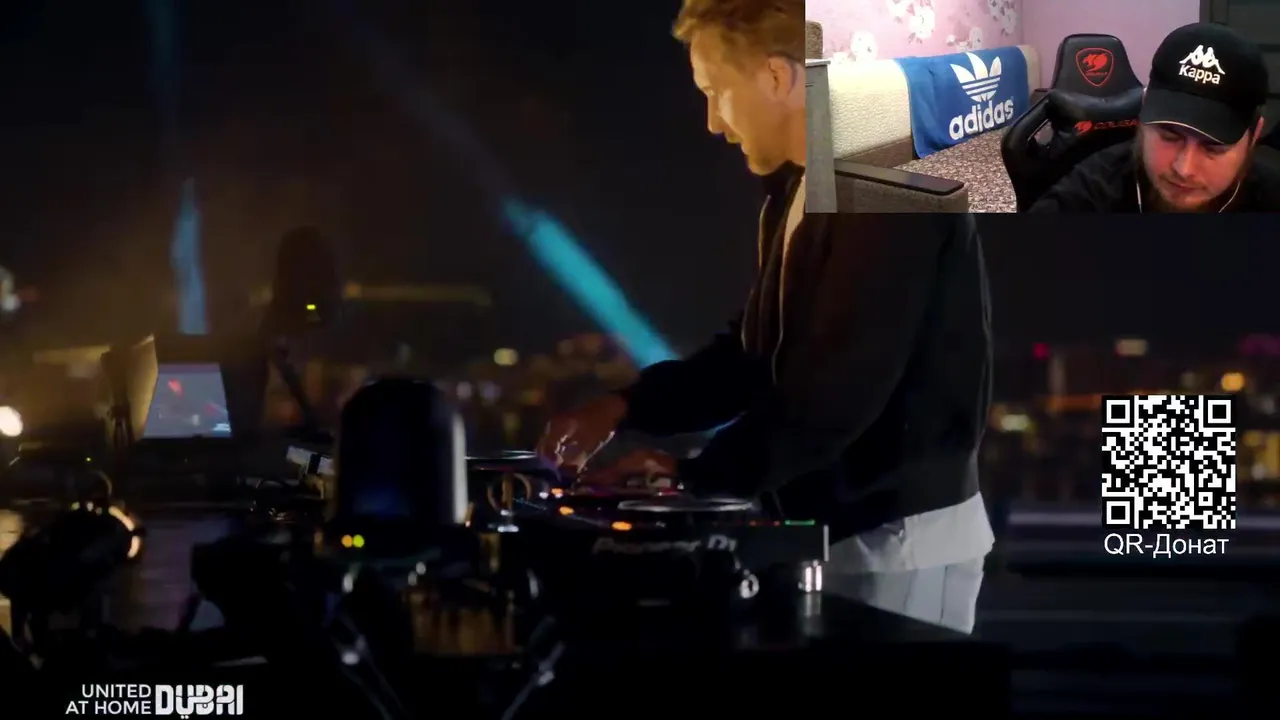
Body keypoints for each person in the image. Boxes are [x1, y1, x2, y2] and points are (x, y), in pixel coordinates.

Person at [536, 0, 993, 634]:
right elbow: (752, 360)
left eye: (714, 92)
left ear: (778, 77)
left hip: (897, 543)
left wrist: (697, 476)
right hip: (837, 533)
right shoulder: (800, 188)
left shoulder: (892, 181)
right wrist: (624, 407)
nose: (712, 122)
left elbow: (839, 387)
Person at [1030, 22, 1280, 213]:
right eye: (1169, 136)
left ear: (1254, 135)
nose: (1184, 169)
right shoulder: (1094, 191)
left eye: (1213, 148)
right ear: (1143, 107)